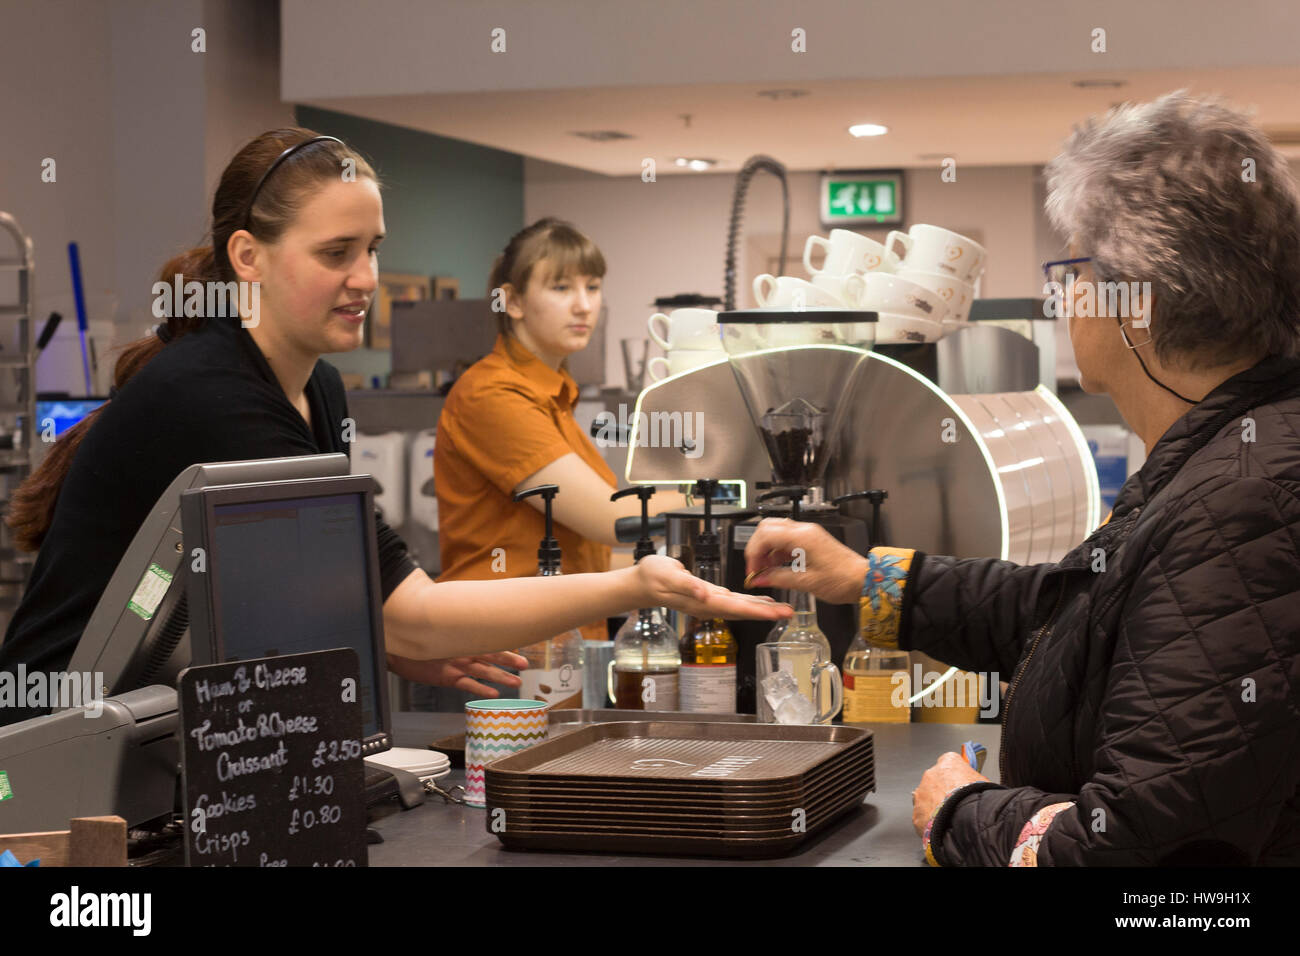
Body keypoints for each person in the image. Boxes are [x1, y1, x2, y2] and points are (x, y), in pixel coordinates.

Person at [0, 128, 786, 727]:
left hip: (165, 723)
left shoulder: (321, 391)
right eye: (336, 252)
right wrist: (638, 583)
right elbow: (405, 605)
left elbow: (333, 588)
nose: (367, 279)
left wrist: (393, 644)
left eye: (372, 250)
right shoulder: (212, 392)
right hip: (61, 736)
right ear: (248, 256)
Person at [744, 91, 1300, 866]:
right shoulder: (1226, 455)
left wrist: (964, 813)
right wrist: (863, 578)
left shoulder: (1241, 505)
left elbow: (1140, 852)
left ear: (1133, 309)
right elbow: (1067, 616)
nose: (1065, 297)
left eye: (1074, 272)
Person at [433, 218, 688, 645]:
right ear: (512, 301)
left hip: (557, 638)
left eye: (592, 286)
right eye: (561, 287)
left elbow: (585, 546)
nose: (584, 305)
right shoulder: (494, 394)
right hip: (500, 645)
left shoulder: (553, 394)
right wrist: (726, 496)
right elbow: (614, 518)